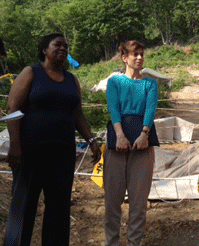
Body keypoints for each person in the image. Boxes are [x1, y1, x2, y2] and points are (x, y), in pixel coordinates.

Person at [3, 33, 101, 246]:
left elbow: (78, 114)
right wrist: (15, 145)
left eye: (66, 46)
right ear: (44, 50)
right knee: (24, 207)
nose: (63, 49)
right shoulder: (31, 73)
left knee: (59, 209)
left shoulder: (71, 80)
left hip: (63, 154)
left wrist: (92, 140)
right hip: (30, 152)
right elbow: (12, 108)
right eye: (58, 44)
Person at [104, 40, 159, 246]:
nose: (139, 58)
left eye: (142, 54)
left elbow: (150, 110)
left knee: (138, 202)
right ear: (124, 58)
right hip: (117, 143)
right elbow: (114, 108)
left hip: (142, 144)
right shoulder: (115, 82)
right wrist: (119, 135)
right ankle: (112, 242)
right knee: (112, 201)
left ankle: (135, 242)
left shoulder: (150, 83)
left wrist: (144, 134)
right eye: (135, 54)